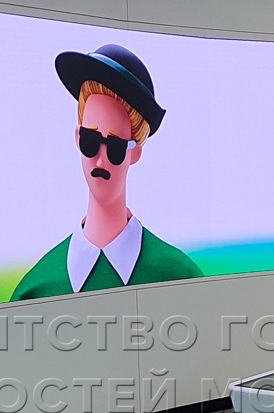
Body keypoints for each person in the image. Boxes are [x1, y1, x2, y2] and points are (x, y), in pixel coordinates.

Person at [10, 44, 202, 300]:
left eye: (115, 147)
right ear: (78, 138)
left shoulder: (180, 279)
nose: (100, 159)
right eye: (90, 141)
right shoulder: (35, 291)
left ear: (134, 152)